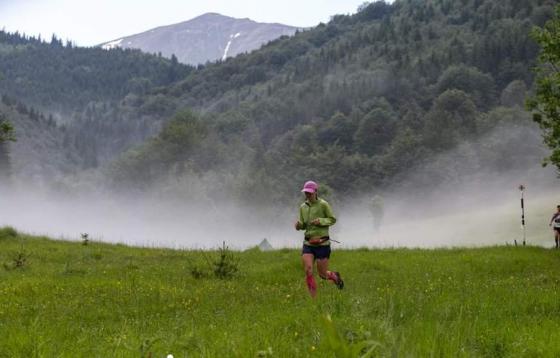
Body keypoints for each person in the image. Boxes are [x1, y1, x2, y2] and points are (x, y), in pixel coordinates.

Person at [295, 180, 343, 298]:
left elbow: (332, 219)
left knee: (322, 275)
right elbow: (304, 225)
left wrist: (320, 221)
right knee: (308, 270)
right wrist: (299, 226)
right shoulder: (303, 207)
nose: (308, 195)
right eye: (306, 193)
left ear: (316, 192)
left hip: (322, 244)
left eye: (310, 193)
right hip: (308, 243)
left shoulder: (323, 204)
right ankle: (313, 298)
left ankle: (335, 277)